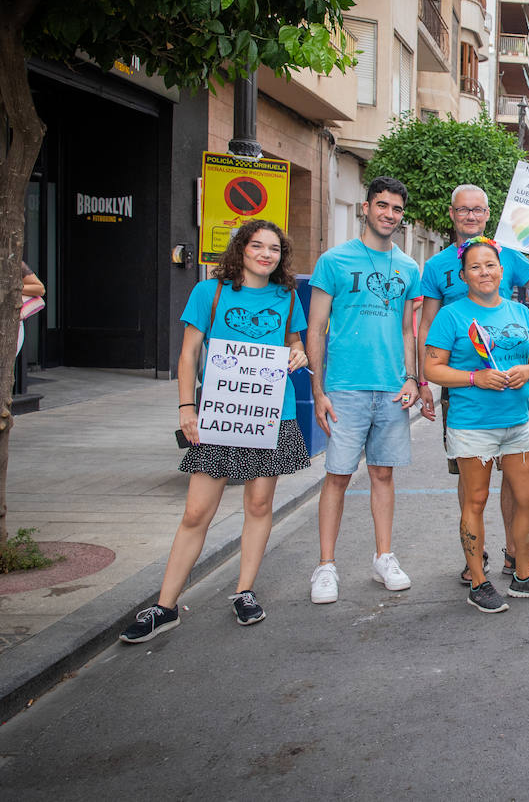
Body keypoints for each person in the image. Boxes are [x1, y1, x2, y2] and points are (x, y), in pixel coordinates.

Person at [120, 220, 310, 642]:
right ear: (241, 248)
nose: (266, 254)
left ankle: (244, 591)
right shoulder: (210, 292)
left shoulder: (287, 295)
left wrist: (298, 354)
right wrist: (187, 406)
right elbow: (188, 354)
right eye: (257, 245)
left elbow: (294, 343)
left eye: (274, 249)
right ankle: (164, 605)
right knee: (195, 512)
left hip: (271, 414)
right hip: (222, 413)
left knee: (260, 505)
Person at [417, 184, 529, 585]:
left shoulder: (512, 267)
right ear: (451, 214)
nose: (470, 216)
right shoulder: (438, 272)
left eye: (478, 210)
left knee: (521, 488)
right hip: (468, 400)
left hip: (514, 405)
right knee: (473, 489)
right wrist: (423, 381)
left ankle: (516, 557)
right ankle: (476, 566)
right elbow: (427, 332)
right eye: (463, 210)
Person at [306, 176, 424, 605]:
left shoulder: (409, 268)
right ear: (365, 207)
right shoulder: (334, 261)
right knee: (336, 476)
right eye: (382, 205)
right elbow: (315, 328)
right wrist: (318, 390)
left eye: (396, 208)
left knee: (383, 474)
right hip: (344, 388)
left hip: (391, 389)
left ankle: (384, 557)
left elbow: (410, 332)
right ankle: (325, 566)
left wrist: (412, 378)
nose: (388, 214)